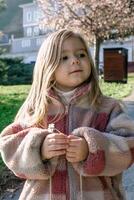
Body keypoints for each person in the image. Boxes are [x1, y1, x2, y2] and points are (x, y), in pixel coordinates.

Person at [0, 29, 134, 200]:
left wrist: (92, 149)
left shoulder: (107, 108)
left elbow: (129, 147)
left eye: (81, 54)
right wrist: (38, 148)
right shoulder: (37, 109)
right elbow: (9, 147)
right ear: (47, 66)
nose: (75, 61)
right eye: (64, 57)